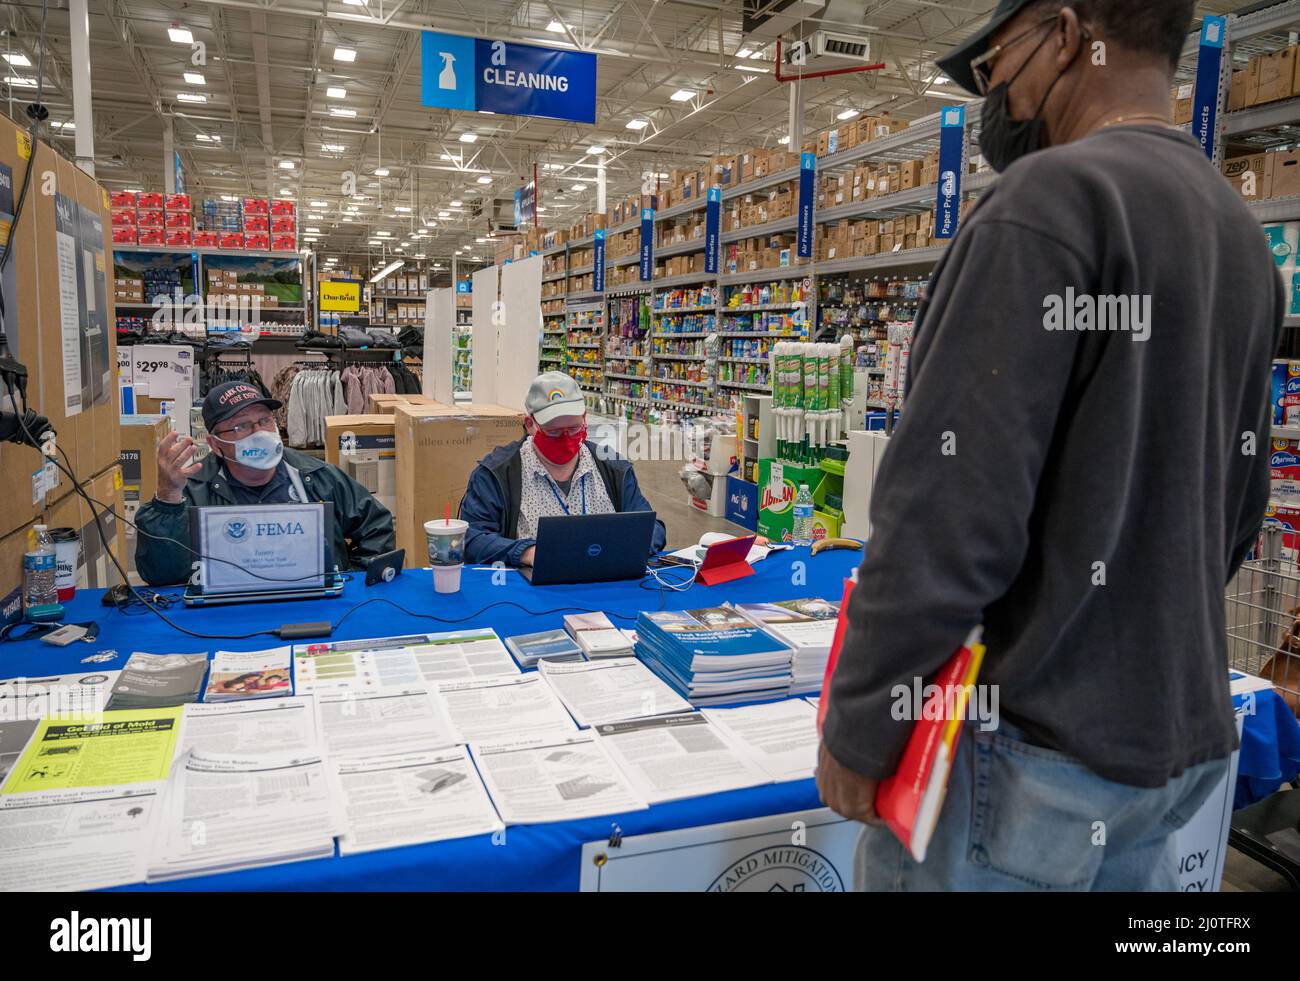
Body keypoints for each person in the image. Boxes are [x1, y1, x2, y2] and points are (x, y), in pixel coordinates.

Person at [816, 0, 1284, 891]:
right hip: (1169, 749)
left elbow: (946, 512)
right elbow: (1238, 505)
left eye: (995, 66)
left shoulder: (1047, 203)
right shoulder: (1236, 231)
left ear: (1067, 36)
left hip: (1028, 758)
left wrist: (862, 724)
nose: (992, 93)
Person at [135, 381, 396, 585]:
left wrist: (352, 582)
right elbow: (162, 576)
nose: (259, 433)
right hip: (229, 614)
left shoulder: (316, 476)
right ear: (215, 444)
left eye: (264, 420)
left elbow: (376, 526)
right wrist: (167, 497)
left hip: (314, 606)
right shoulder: (191, 490)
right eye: (241, 427)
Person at [460, 371, 667, 566]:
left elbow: (652, 528)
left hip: (607, 590)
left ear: (585, 419)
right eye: (553, 432)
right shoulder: (497, 473)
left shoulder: (614, 468)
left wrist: (620, 548)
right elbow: (473, 539)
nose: (566, 439)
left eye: (575, 428)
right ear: (530, 424)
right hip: (532, 597)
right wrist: (527, 553)